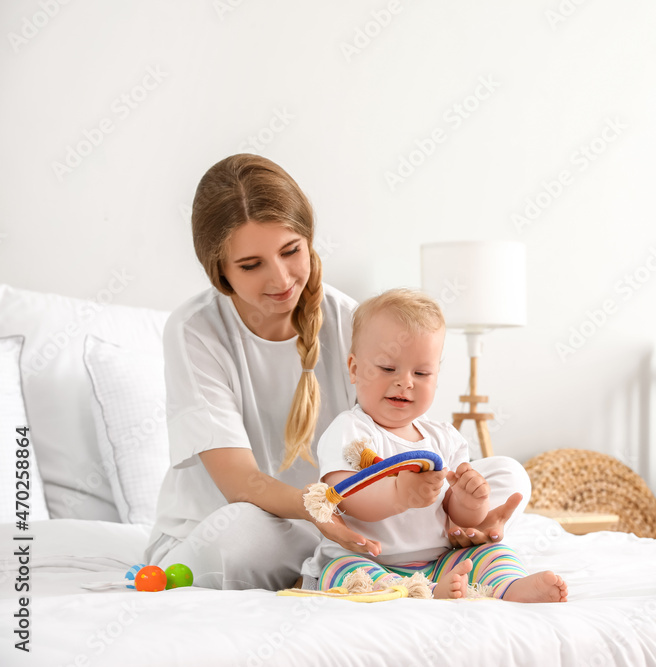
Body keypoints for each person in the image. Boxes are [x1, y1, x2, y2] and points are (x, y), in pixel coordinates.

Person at [143, 153, 530, 590]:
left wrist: (454, 504)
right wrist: (324, 509)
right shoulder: (194, 331)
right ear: (220, 272)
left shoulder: (350, 319)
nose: (281, 278)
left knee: (507, 475)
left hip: (352, 516)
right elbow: (241, 482)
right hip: (264, 523)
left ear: (308, 240)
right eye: (251, 265)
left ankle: (434, 553)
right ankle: (379, 563)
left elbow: (378, 449)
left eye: (291, 251)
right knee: (240, 532)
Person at [299, 288, 567, 602]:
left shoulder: (444, 438)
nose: (405, 382)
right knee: (344, 573)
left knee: (493, 552)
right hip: (368, 559)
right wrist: (399, 495)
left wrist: (470, 501)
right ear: (355, 369)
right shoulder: (350, 430)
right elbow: (343, 497)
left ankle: (510, 586)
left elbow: (458, 516)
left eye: (422, 373)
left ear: (436, 378)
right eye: (388, 368)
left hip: (437, 561)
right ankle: (417, 592)